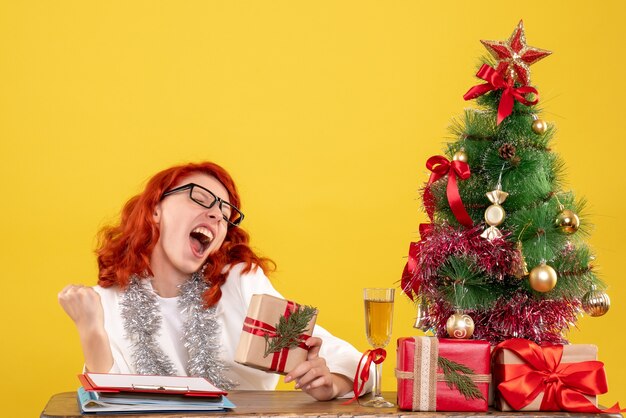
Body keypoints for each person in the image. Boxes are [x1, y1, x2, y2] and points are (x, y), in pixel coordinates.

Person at [58, 161, 368, 401]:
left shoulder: (240, 284)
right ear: (155, 209)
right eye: (200, 199)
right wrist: (91, 332)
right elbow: (111, 402)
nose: (217, 216)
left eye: (225, 212)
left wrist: (331, 383)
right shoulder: (106, 301)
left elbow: (355, 364)